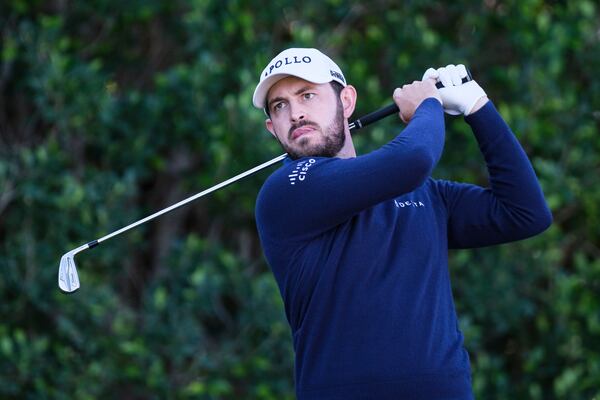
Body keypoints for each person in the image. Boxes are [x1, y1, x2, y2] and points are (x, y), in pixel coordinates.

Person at [252, 48, 552, 400]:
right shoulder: (286, 191)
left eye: (307, 95)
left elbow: (525, 213)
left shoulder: (427, 195)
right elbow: (413, 158)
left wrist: (478, 107)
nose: (296, 112)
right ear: (273, 127)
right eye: (280, 106)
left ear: (346, 101)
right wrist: (427, 105)